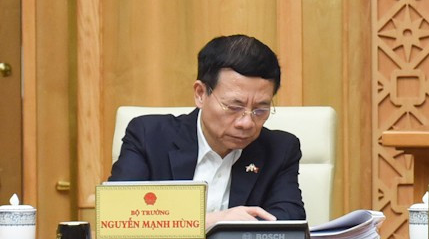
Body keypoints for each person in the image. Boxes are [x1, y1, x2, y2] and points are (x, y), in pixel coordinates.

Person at [108, 33, 306, 223]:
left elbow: (288, 218)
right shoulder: (149, 136)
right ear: (200, 94)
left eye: (260, 110)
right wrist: (209, 222)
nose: (246, 123)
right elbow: (117, 215)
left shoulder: (280, 149)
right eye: (234, 107)